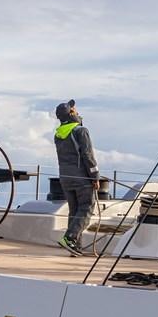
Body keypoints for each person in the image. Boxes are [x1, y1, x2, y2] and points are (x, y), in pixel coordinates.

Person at [54, 99, 100, 253]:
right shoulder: (81, 131)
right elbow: (88, 155)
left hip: (65, 178)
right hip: (81, 178)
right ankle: (71, 238)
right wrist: (95, 176)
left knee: (74, 211)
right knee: (86, 208)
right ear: (72, 113)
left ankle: (75, 247)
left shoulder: (58, 134)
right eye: (75, 109)